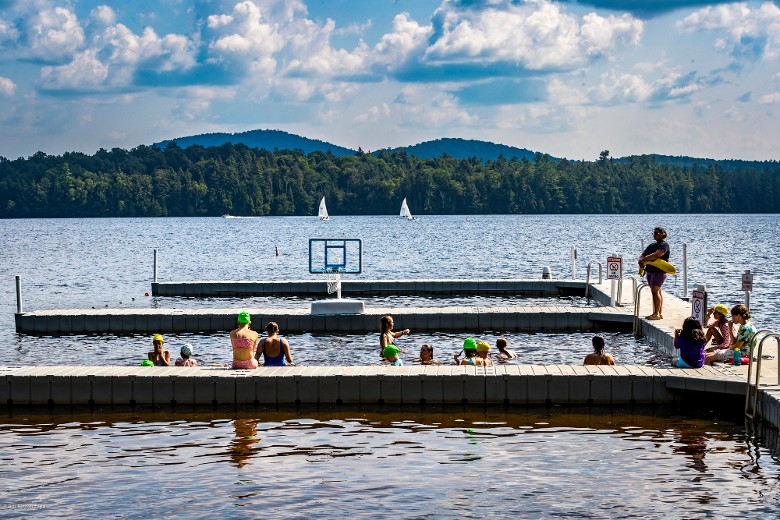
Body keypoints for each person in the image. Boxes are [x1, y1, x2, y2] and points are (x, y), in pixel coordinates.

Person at [638, 227, 670, 320]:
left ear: (663, 234)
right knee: (657, 291)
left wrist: (644, 259)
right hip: (650, 271)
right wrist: (641, 259)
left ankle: (656, 314)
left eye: (657, 233)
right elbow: (643, 254)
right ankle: (658, 313)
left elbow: (658, 254)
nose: (654, 234)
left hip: (659, 271)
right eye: (654, 233)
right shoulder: (652, 245)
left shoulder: (664, 245)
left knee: (655, 291)